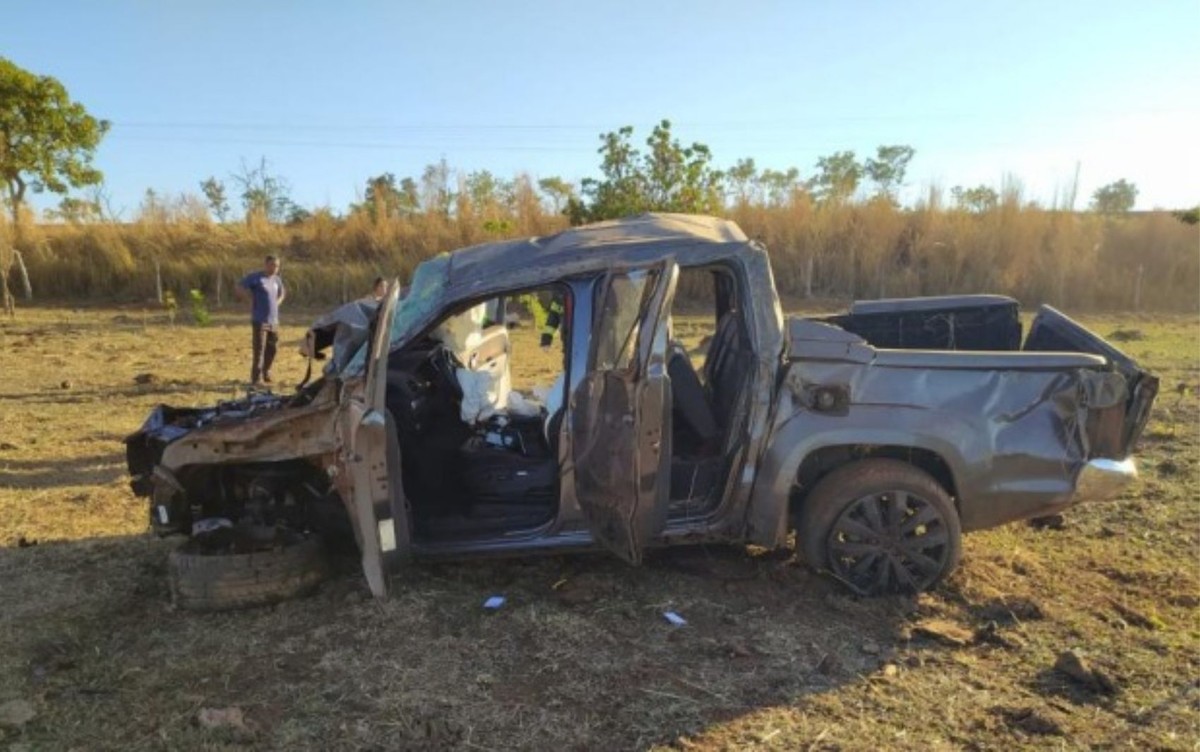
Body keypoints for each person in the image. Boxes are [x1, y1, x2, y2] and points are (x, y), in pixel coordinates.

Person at [236, 255, 286, 385]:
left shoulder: (277, 280)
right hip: (259, 319)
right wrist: (249, 300)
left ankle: (266, 371)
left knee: (273, 348)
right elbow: (240, 287)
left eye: (277, 266)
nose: (274, 268)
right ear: (265, 264)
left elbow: (282, 293)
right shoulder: (256, 278)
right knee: (259, 349)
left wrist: (277, 302)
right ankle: (256, 378)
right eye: (272, 265)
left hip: (273, 320)